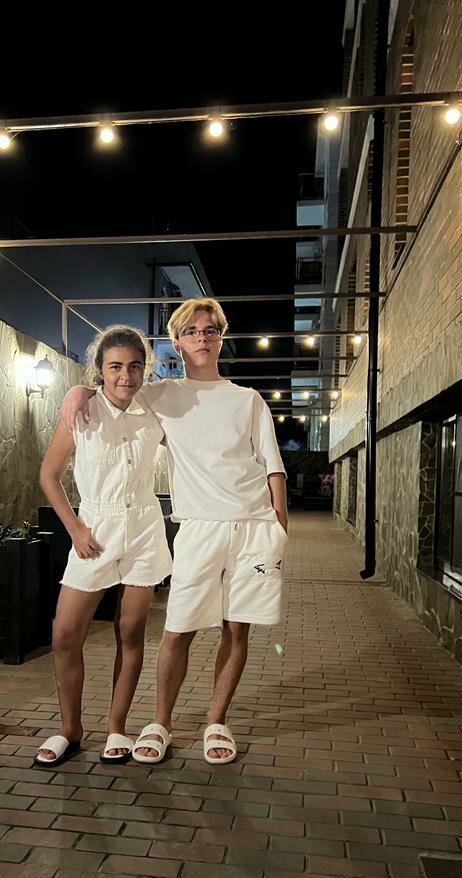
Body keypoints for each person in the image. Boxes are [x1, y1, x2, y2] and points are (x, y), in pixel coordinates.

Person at [61, 298, 287, 766]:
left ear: (221, 338)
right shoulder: (159, 395)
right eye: (192, 331)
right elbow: (114, 389)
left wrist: (279, 531)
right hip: (198, 528)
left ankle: (216, 721)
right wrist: (77, 390)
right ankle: (161, 721)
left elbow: (273, 467)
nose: (202, 338)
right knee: (178, 628)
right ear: (177, 342)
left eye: (210, 331)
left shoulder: (248, 399)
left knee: (237, 628)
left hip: (254, 527)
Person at [35, 326, 172, 767]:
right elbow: (49, 475)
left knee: (130, 631)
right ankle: (70, 730)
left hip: (144, 532)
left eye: (134, 366)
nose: (125, 376)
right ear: (99, 369)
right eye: (115, 367)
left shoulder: (156, 411)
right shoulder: (82, 409)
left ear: (144, 369)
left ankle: (117, 727)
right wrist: (75, 528)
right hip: (93, 532)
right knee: (64, 634)